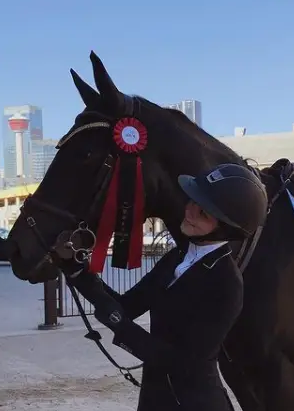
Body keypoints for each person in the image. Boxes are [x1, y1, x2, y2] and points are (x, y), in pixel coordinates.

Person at [67, 163, 268, 411]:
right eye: (192, 200)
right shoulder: (177, 257)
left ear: (227, 227)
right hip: (155, 396)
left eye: (203, 212)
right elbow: (128, 305)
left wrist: (119, 323)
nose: (190, 211)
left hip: (194, 403)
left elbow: (183, 363)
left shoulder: (227, 284)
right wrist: (77, 272)